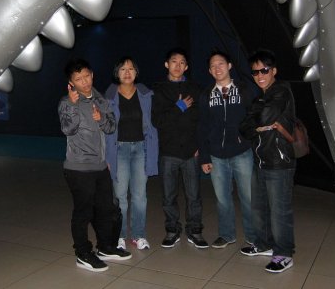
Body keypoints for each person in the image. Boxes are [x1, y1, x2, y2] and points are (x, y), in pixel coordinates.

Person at [58, 58, 132, 272]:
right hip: (79, 167)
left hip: (100, 166)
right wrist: (72, 105)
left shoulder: (100, 99)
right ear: (71, 82)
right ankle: (82, 253)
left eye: (87, 76)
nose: (85, 82)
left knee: (105, 209)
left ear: (93, 74)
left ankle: (106, 247)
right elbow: (68, 129)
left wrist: (100, 119)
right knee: (83, 212)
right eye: (78, 79)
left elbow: (110, 128)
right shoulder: (66, 102)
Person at [239, 49, 296, 273]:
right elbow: (245, 126)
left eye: (264, 70)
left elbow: (264, 117)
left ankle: (283, 253)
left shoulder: (281, 90)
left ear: (273, 70)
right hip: (261, 159)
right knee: (259, 207)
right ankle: (264, 244)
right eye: (255, 72)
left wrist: (256, 121)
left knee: (279, 210)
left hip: (279, 161)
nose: (260, 75)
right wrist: (256, 125)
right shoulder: (260, 96)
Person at [198, 50, 255, 248]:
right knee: (223, 200)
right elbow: (202, 127)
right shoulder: (206, 95)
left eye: (221, 64)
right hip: (216, 155)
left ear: (229, 66)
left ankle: (253, 237)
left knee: (249, 198)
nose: (217, 68)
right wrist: (204, 156)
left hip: (242, 153)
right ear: (209, 71)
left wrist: (248, 140)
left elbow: (253, 117)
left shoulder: (244, 89)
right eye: (213, 66)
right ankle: (227, 234)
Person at [151, 48, 207, 248]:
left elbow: (199, 120)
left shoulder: (195, 88)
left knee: (194, 196)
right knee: (168, 196)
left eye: (182, 62)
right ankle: (172, 230)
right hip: (168, 152)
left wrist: (199, 145)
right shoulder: (159, 90)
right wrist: (179, 107)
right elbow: (158, 120)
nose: (178, 65)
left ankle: (195, 231)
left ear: (186, 66)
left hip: (191, 152)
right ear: (167, 64)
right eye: (174, 61)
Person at [105, 56, 159, 250]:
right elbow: (104, 128)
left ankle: (138, 235)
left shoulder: (146, 94)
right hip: (118, 150)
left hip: (140, 149)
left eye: (131, 69)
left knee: (139, 196)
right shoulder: (109, 96)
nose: (127, 73)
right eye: (122, 69)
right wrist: (106, 156)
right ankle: (119, 236)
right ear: (117, 73)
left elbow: (158, 119)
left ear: (136, 72)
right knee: (120, 197)